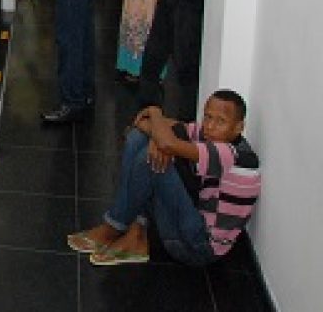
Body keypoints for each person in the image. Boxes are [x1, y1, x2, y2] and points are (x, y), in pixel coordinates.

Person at [68, 91, 260, 268]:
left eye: (220, 121)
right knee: (138, 138)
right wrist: (158, 137)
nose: (210, 126)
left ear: (239, 127)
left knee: (148, 159)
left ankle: (114, 226)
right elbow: (144, 125)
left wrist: (155, 111)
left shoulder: (231, 154)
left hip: (199, 247)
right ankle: (135, 234)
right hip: (193, 218)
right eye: (208, 117)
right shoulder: (210, 135)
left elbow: (167, 141)